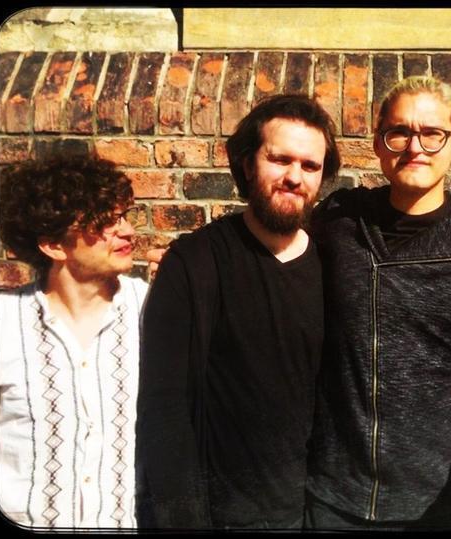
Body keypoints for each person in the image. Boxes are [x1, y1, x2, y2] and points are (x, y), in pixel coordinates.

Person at [304, 76, 451, 528]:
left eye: (433, 134)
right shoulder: (339, 220)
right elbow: (270, 256)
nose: (415, 147)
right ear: (378, 143)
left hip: (440, 501)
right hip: (336, 495)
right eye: (400, 132)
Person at [135, 95, 341, 529]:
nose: (294, 177)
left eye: (310, 166)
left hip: (319, 511)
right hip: (223, 517)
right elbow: (164, 407)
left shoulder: (336, 266)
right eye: (280, 160)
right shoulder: (194, 264)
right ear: (248, 165)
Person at [0, 156, 147, 529]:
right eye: (105, 222)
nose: (127, 231)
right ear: (53, 245)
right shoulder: (4, 323)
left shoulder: (152, 310)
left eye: (124, 216)